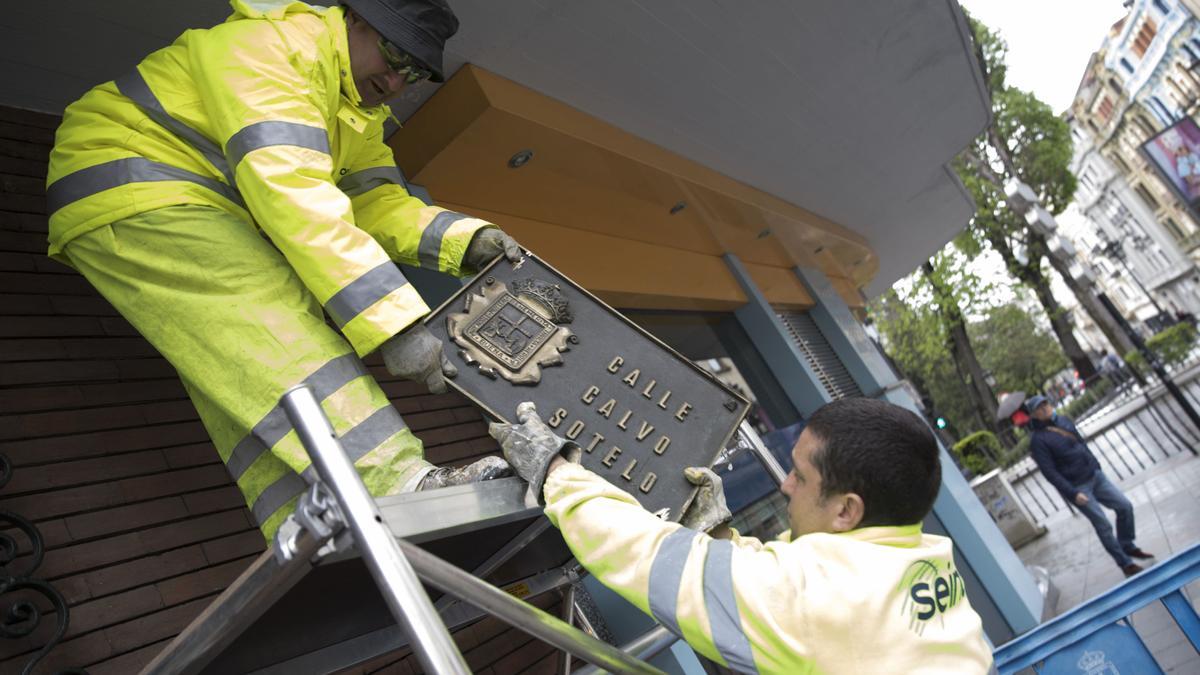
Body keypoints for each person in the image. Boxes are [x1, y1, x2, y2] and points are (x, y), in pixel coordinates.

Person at [45, 0, 521, 540]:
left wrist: (465, 238)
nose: (395, 80)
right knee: (278, 324)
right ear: (353, 18)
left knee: (243, 372)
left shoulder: (357, 117)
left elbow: (374, 201)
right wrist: (398, 326)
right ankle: (400, 483)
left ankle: (306, 529)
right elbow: (293, 192)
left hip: (168, 197)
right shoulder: (277, 49)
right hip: (137, 179)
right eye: (393, 55)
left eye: (413, 72)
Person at [491, 398, 992, 674]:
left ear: (846, 509)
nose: (784, 484)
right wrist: (721, 537)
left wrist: (555, 474)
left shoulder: (817, 602)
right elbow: (788, 588)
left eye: (800, 476)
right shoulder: (925, 558)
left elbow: (645, 556)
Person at [1026, 395, 1153, 577]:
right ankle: (1125, 563)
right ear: (1034, 415)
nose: (1044, 408)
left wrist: (1095, 464)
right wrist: (1072, 493)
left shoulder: (1062, 421)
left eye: (1045, 404)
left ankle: (1127, 545)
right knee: (1103, 524)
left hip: (1094, 476)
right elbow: (1050, 473)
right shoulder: (1038, 441)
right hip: (1078, 487)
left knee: (1124, 506)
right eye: (1039, 408)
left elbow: (1080, 443)